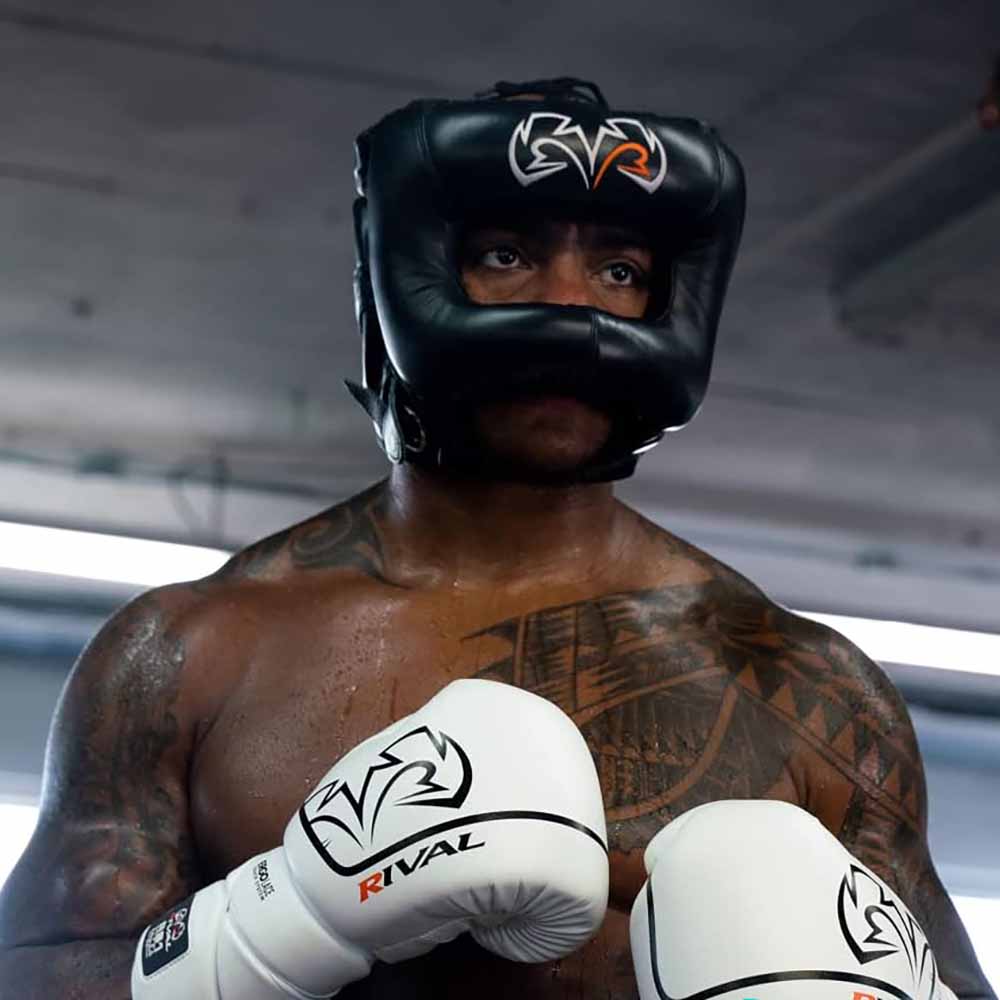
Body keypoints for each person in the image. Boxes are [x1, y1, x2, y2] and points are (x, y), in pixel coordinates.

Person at [0, 78, 993, 1000]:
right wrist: (280, 922)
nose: (570, 305)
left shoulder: (803, 685)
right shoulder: (193, 652)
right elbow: (32, 974)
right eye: (507, 256)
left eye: (618, 269)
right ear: (405, 274)